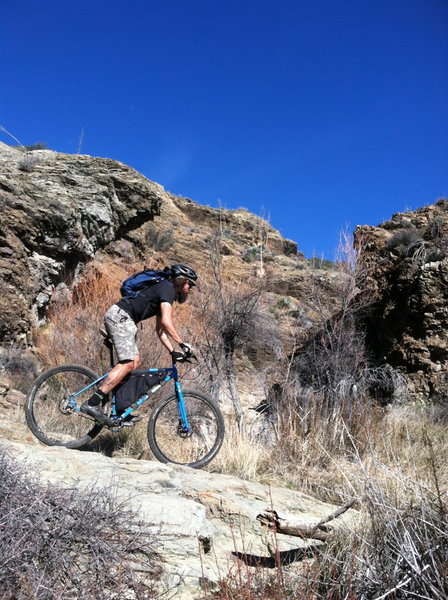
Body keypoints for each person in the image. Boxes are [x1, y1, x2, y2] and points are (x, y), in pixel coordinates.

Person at [81, 263, 197, 425]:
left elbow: (161, 330)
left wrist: (172, 351)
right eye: (190, 284)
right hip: (121, 318)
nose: (191, 289)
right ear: (181, 281)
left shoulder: (165, 291)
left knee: (135, 362)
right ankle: (92, 403)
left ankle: (119, 410)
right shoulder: (167, 289)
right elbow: (166, 321)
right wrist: (182, 343)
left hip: (124, 319)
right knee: (128, 363)